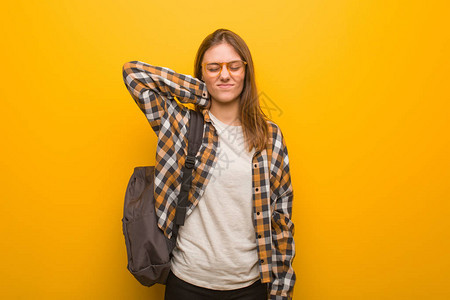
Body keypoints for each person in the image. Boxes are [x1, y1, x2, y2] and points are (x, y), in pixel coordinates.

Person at [122, 28, 295, 300]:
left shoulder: (269, 136)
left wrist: (281, 291)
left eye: (234, 67)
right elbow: (133, 74)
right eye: (214, 68)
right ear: (201, 73)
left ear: (246, 72)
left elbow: (281, 219)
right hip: (187, 283)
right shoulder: (180, 124)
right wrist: (203, 92)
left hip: (250, 287)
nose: (225, 75)